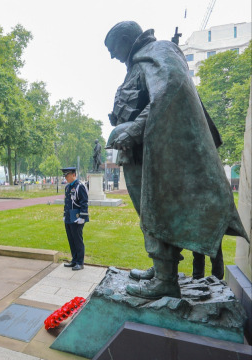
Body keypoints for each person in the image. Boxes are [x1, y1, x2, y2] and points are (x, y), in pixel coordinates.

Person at [105, 21, 248, 299]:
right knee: (149, 214)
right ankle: (162, 269)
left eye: (112, 48)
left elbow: (171, 89)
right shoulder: (139, 62)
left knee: (156, 210)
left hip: (154, 151)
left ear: (125, 38)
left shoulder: (159, 50)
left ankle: (166, 280)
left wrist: (135, 128)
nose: (112, 55)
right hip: (137, 153)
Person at [61, 167, 89, 271]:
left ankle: (80, 262)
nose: (66, 178)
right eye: (65, 176)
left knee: (77, 240)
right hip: (69, 216)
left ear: (73, 175)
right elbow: (67, 202)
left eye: (67, 175)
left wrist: (82, 217)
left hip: (77, 217)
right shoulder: (68, 187)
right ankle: (74, 260)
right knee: (71, 239)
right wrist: (64, 214)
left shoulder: (80, 186)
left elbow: (84, 202)